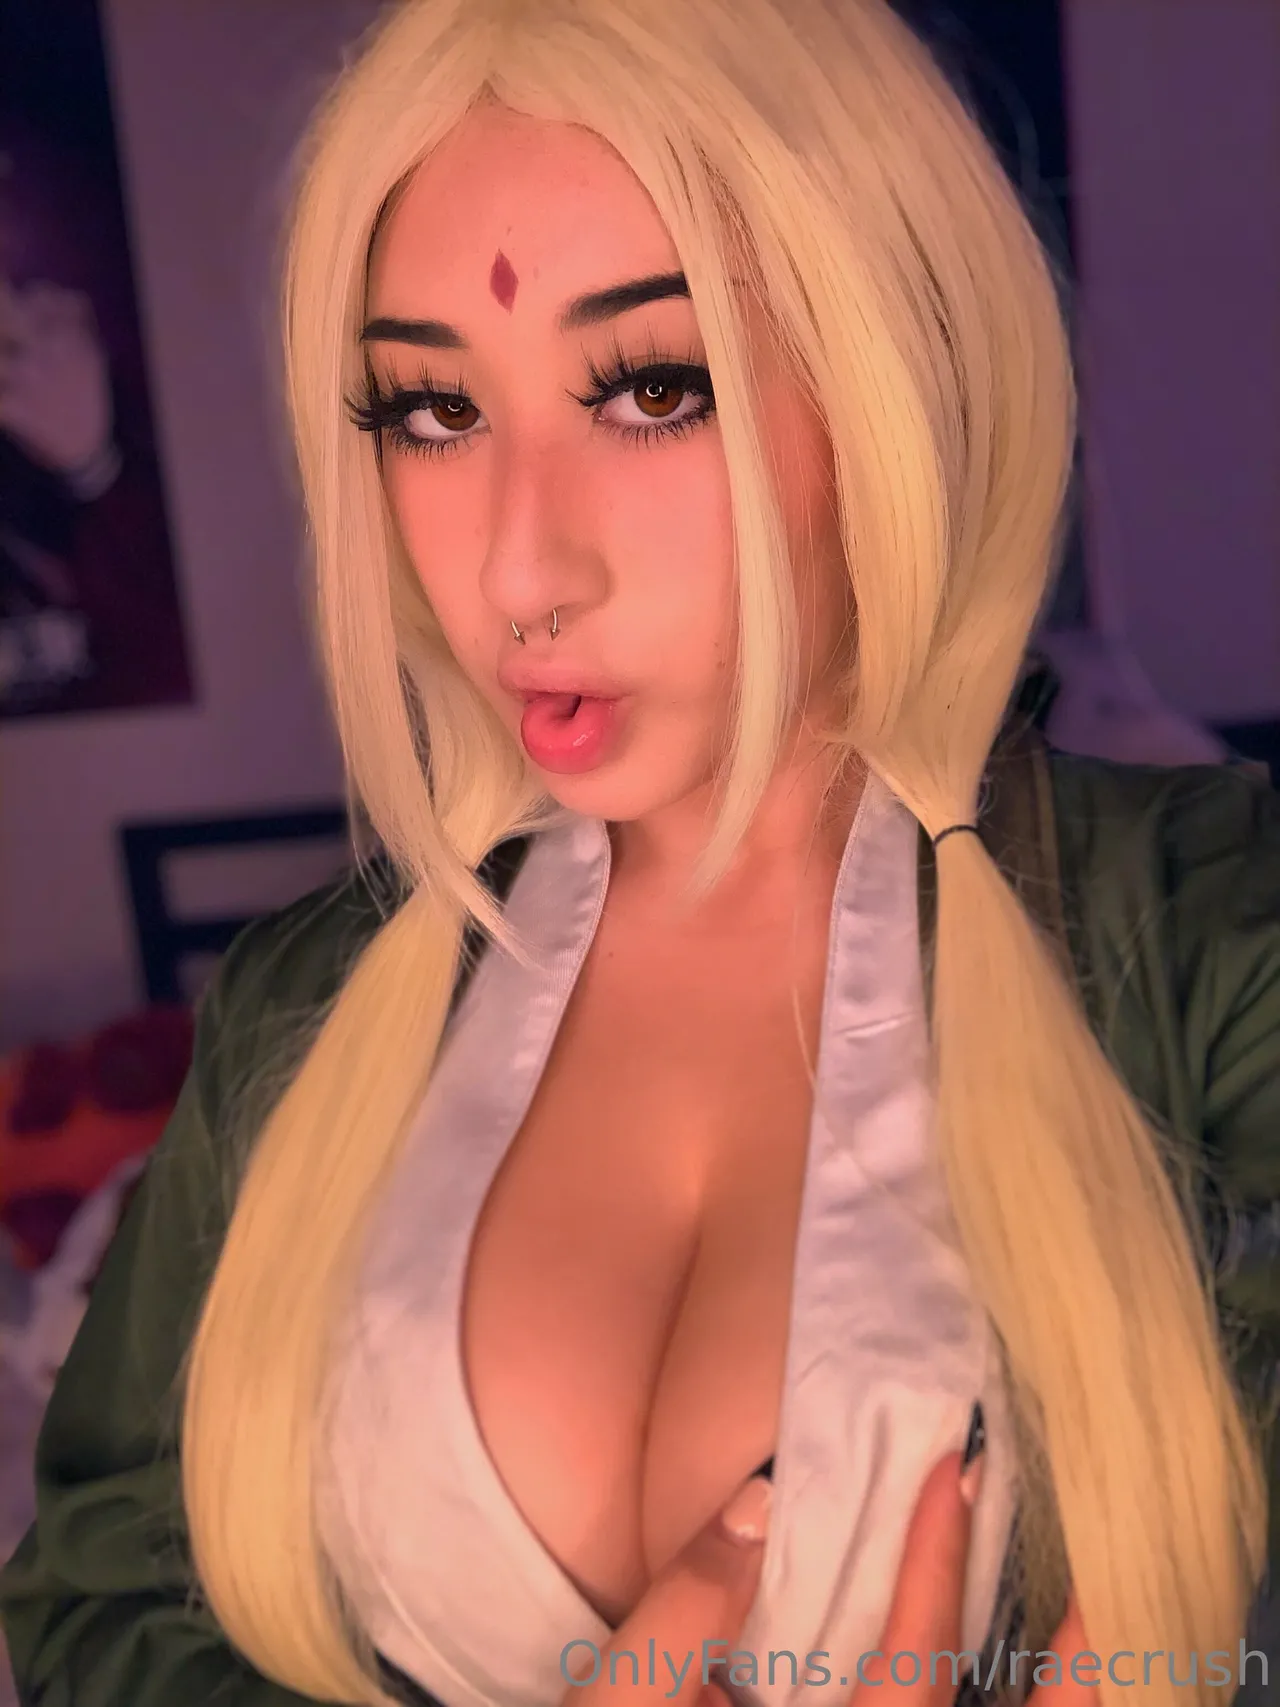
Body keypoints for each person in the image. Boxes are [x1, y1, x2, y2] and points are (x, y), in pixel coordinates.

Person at [0, 1, 1276, 1704]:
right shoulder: (305, 1004)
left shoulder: (1211, 932)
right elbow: (97, 1600)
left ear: (897, 375)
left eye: (652, 388)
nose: (520, 570)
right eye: (430, 409)